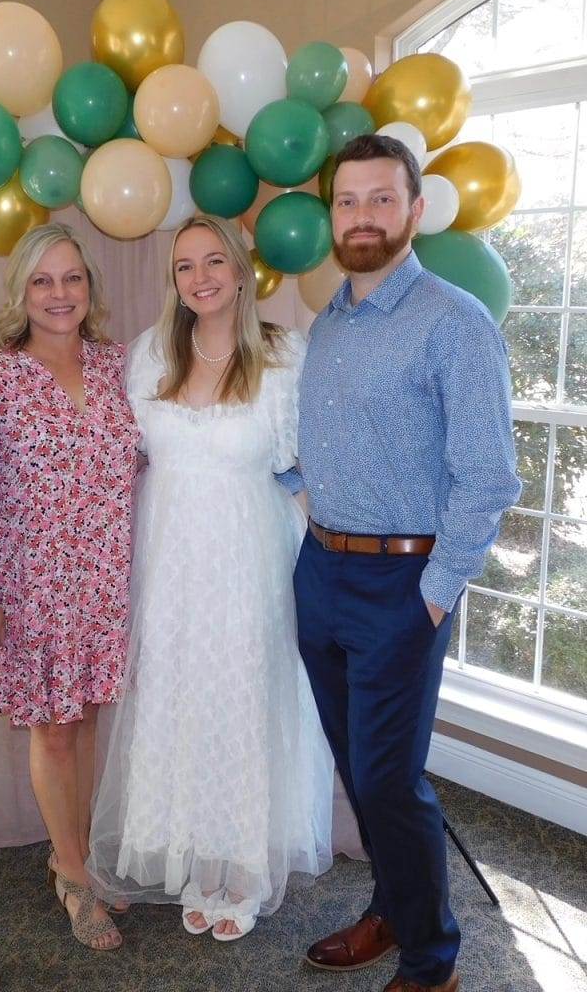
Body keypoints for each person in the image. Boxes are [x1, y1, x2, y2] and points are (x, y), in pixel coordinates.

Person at [290, 133, 521, 992]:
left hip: (401, 585)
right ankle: (392, 907)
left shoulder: (455, 324)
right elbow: (328, 444)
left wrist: (433, 594)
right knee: (358, 767)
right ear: (331, 216)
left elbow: (489, 479)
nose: (362, 217)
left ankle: (433, 963)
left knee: (390, 780)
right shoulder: (331, 322)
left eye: (382, 199)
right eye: (348, 201)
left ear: (415, 211)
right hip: (321, 573)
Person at [87, 214, 334, 942]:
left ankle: (242, 866)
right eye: (186, 265)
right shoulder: (148, 356)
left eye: (214, 261)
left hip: (249, 558)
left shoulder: (285, 357)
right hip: (167, 561)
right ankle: (197, 855)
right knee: (179, 699)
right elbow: (118, 460)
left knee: (242, 699)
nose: (201, 277)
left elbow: (302, 469)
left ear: (241, 269)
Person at [0, 222, 140, 951]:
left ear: (90, 289)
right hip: (31, 582)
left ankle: (76, 854)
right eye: (43, 280)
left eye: (72, 278)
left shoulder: (118, 367)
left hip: (103, 578)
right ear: (22, 293)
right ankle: (73, 875)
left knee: (88, 722)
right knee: (53, 731)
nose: (59, 294)